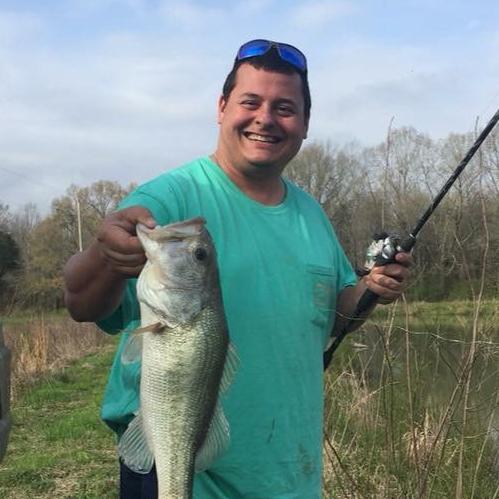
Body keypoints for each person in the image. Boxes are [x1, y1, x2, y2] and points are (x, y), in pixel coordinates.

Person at [64, 39, 412, 499]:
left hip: (290, 476)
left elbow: (335, 314)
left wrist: (371, 288)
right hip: (179, 473)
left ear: (305, 124)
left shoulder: (312, 214)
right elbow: (81, 302)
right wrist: (105, 255)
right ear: (222, 107)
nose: (265, 118)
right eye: (251, 102)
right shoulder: (169, 197)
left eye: (284, 108)